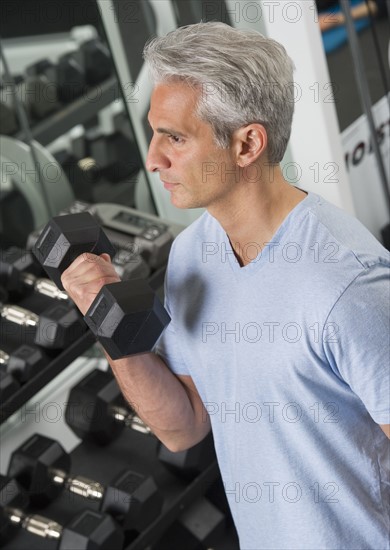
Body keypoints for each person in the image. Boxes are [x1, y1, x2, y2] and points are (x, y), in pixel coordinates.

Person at [61, 22, 390, 550]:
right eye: (154, 133)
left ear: (247, 144)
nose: (152, 159)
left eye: (175, 137)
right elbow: (183, 425)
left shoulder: (346, 283)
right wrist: (107, 318)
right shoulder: (195, 251)